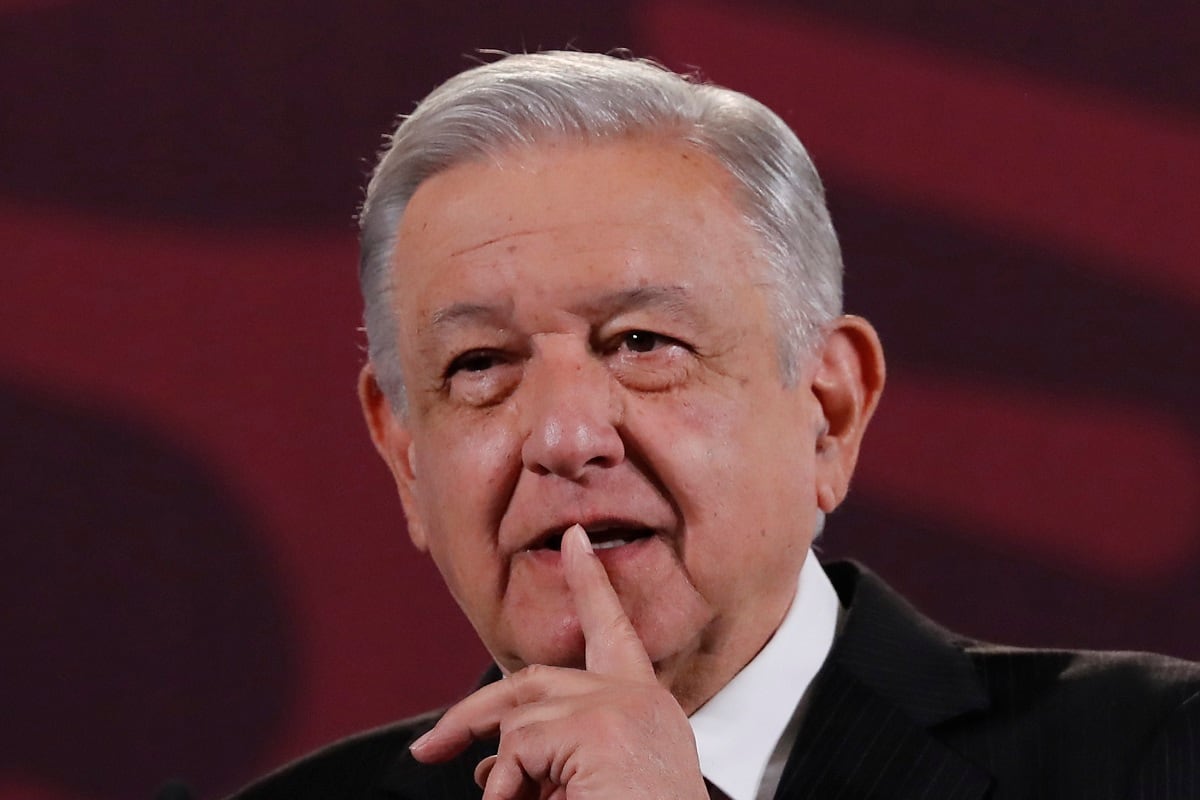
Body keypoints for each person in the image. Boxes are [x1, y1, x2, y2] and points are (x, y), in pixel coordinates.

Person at [231, 51, 1200, 800]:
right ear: (403, 452)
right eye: (480, 364)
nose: (565, 437)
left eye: (643, 342)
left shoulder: (1155, 753)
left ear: (829, 408)